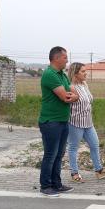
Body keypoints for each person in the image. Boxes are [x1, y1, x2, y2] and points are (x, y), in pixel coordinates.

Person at [38, 46, 79, 197]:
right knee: (50, 154)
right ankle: (46, 185)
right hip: (51, 122)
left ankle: (57, 183)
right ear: (56, 58)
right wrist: (71, 96)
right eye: (65, 58)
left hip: (62, 120)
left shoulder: (62, 74)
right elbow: (66, 97)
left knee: (59, 154)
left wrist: (72, 96)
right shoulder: (50, 74)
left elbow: (74, 94)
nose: (67, 61)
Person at [67, 62, 105, 183]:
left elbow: (88, 101)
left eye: (85, 71)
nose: (86, 73)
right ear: (75, 74)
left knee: (95, 144)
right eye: (83, 71)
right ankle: (74, 173)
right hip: (75, 122)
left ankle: (99, 170)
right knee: (73, 147)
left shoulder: (84, 84)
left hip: (88, 122)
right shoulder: (70, 87)